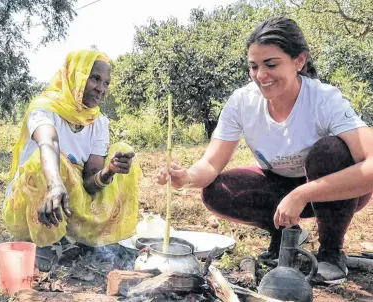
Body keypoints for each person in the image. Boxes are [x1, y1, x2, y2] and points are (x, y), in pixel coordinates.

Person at [157, 17, 373, 284]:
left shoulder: (323, 99)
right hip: (280, 188)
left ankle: (331, 252)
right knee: (216, 189)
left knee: (329, 151)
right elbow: (211, 164)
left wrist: (304, 192)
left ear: (299, 61)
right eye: (254, 66)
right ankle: (286, 236)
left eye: (271, 65)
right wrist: (187, 176)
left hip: (335, 193)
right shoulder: (242, 102)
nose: (261, 75)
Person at [3, 50, 141, 272]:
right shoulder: (44, 109)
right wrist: (56, 183)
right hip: (29, 199)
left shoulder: (99, 122)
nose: (101, 88)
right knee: (44, 160)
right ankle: (44, 241)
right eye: (94, 78)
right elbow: (48, 142)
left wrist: (109, 171)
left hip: (71, 200)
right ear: (75, 75)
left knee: (122, 151)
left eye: (106, 83)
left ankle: (89, 238)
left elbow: (88, 183)